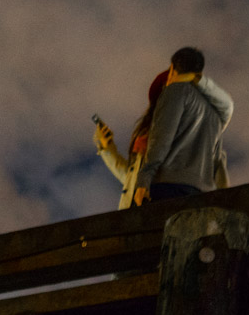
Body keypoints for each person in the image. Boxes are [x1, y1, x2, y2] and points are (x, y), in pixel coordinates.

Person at [94, 47, 232, 209]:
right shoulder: (211, 112)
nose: (167, 87)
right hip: (197, 193)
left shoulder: (181, 100)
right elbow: (130, 179)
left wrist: (144, 179)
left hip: (164, 191)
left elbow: (161, 142)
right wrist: (107, 148)